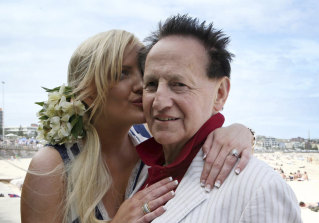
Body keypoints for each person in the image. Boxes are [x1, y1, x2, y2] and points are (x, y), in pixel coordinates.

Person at [21, 29, 254, 223]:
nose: (143, 85)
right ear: (88, 93)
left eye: (144, 73)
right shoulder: (53, 166)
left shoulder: (153, 146)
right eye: (122, 73)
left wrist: (241, 132)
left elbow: (198, 132)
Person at [137, 14, 302, 222]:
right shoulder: (138, 171)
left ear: (220, 94)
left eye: (179, 84)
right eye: (151, 84)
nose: (159, 103)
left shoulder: (259, 188)